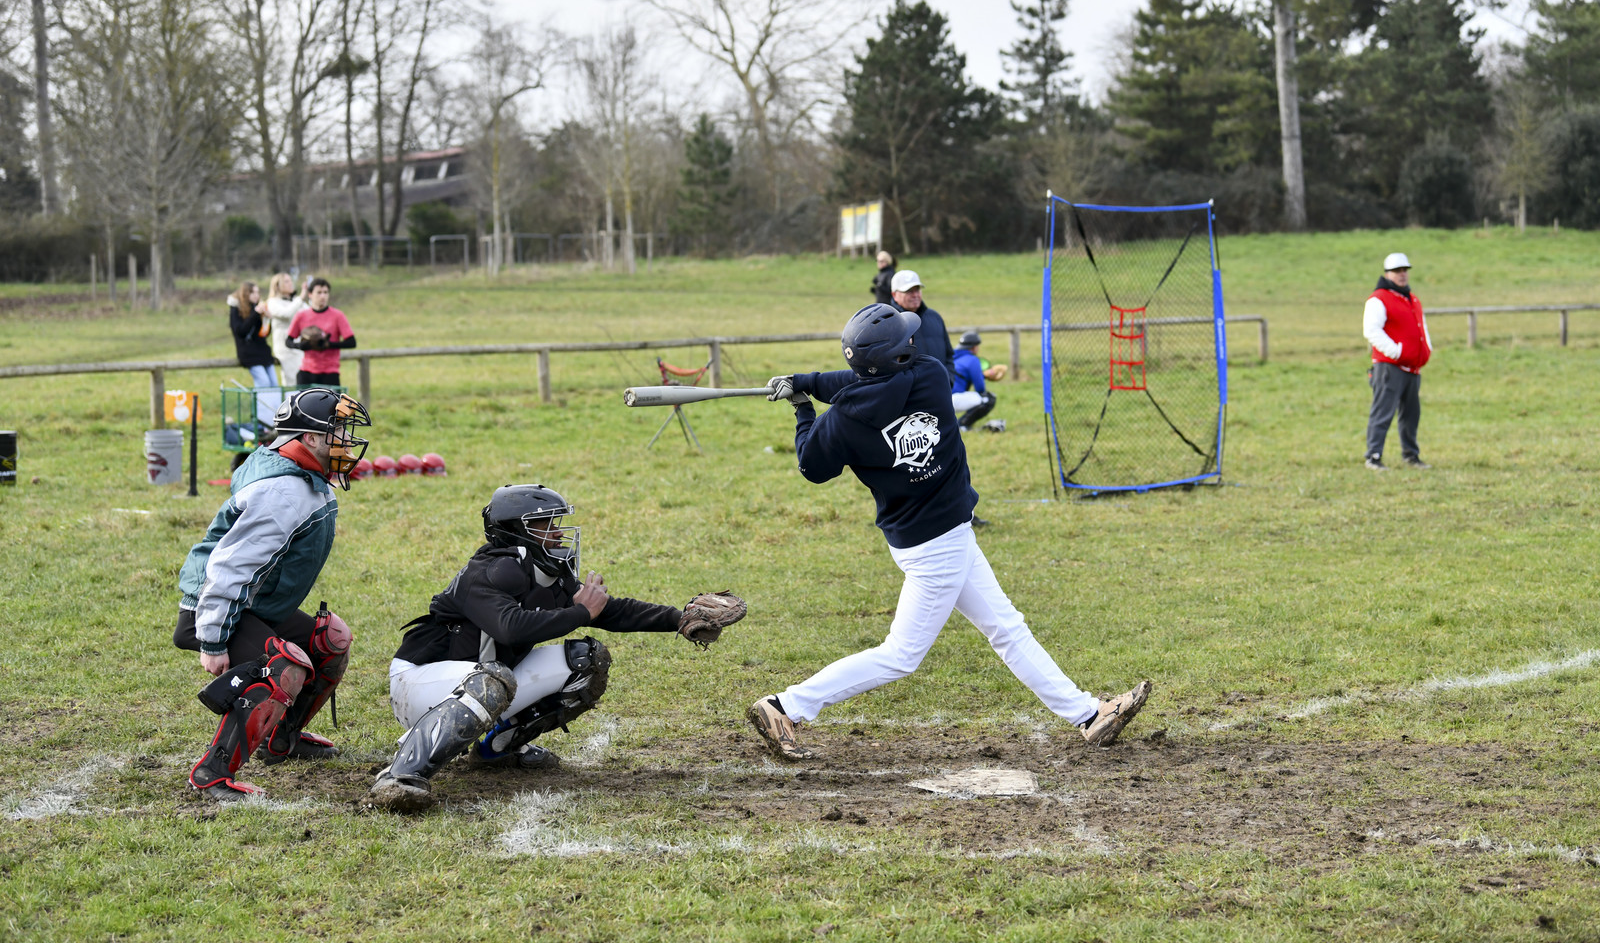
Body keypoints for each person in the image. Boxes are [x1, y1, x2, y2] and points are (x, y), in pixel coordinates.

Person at [746, 304, 1152, 762]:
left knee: (1006, 627)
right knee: (901, 655)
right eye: (906, 341)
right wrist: (811, 384)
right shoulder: (930, 375)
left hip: (923, 536)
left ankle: (1086, 715)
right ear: (897, 358)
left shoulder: (840, 423)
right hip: (938, 545)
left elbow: (812, 464)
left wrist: (804, 404)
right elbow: (865, 384)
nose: (914, 344)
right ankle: (786, 706)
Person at [368, 484, 733, 812]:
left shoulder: (546, 572)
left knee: (586, 661)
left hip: (488, 678)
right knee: (493, 679)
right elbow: (510, 629)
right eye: (545, 524)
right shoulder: (488, 572)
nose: (557, 532)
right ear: (516, 530)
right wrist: (579, 611)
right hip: (420, 683)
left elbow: (611, 611)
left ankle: (496, 750)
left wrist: (680, 618)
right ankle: (399, 776)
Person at [173, 389, 372, 801]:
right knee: (286, 666)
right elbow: (230, 569)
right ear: (310, 438)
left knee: (330, 640)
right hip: (216, 607)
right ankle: (212, 773)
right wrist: (212, 638)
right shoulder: (282, 491)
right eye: (337, 431)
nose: (345, 441)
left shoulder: (304, 473)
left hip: (251, 603)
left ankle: (282, 739)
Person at [1364, 252, 1433, 470]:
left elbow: (1421, 327)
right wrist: (1395, 352)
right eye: (1397, 271)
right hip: (1389, 367)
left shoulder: (1411, 298)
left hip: (1412, 367)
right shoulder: (1379, 298)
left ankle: (1410, 455)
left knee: (1411, 414)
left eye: (1405, 270)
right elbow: (1372, 331)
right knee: (1383, 411)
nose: (1402, 275)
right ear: (1387, 273)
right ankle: (1373, 456)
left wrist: (1426, 350)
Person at [286, 278, 356, 388]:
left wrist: (328, 344)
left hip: (329, 372)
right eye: (319, 292)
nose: (322, 296)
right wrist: (301, 345)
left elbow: (352, 342)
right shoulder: (301, 316)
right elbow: (288, 341)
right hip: (307, 371)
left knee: (331, 405)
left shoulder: (337, 315)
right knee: (303, 404)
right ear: (310, 294)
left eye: (325, 292)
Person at [230, 281, 281, 429]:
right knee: (263, 384)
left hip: (263, 353)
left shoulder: (258, 308)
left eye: (258, 292)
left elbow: (262, 334)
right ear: (246, 294)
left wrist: (267, 319)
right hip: (249, 354)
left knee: (274, 385)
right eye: (253, 292)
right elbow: (241, 331)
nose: (257, 295)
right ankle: (263, 422)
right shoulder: (236, 310)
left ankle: (276, 420)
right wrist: (255, 314)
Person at [889, 269, 953, 378]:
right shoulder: (889, 323)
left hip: (940, 391)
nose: (915, 295)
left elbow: (949, 355)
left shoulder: (935, 317)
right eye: (909, 291)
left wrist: (949, 379)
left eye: (917, 289)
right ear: (894, 294)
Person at [265, 272, 309, 388]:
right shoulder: (273, 302)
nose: (290, 283)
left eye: (290, 280)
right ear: (277, 285)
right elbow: (286, 314)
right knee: (292, 381)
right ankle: (291, 405)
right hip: (285, 348)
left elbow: (309, 314)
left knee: (303, 381)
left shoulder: (296, 301)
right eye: (286, 281)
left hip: (300, 345)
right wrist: (301, 297)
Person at [951, 330, 999, 432]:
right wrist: (984, 376)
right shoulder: (972, 360)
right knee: (988, 399)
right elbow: (980, 388)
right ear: (974, 347)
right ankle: (962, 426)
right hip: (954, 400)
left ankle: (952, 426)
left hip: (938, 400)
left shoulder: (951, 357)